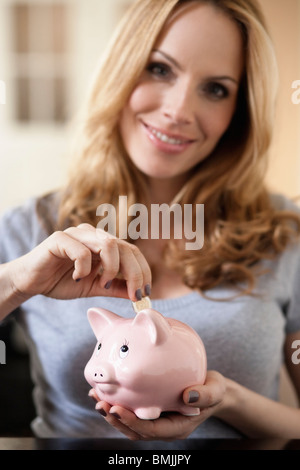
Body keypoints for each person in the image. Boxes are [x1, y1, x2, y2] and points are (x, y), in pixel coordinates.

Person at [1, 0, 300, 440]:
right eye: (160, 69)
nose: (178, 110)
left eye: (216, 88)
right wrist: (17, 283)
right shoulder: (29, 229)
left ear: (240, 111)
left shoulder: (285, 234)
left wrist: (229, 400)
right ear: (121, 70)